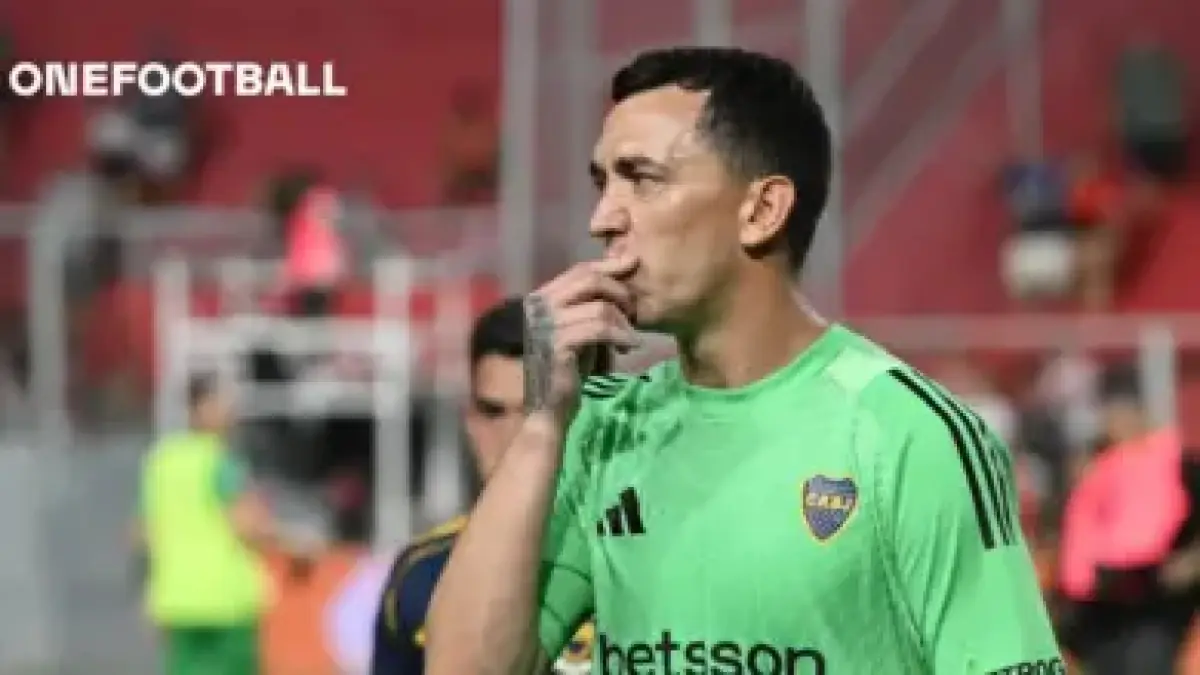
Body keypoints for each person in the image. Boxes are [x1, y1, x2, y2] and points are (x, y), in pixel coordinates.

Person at [425, 47, 1061, 675]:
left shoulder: (909, 435)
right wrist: (541, 426)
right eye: (603, 183)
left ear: (761, 211)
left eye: (642, 179)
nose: (602, 219)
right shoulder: (607, 430)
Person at [370, 297, 594, 674]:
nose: (514, 436)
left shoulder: (630, 560)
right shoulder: (420, 575)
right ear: (470, 420)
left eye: (533, 412)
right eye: (493, 412)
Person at [135, 374, 277, 675]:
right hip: (226, 601)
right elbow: (247, 525)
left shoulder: (161, 461)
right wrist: (273, 529)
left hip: (176, 599)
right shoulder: (220, 462)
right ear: (203, 408)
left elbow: (142, 532)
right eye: (224, 402)